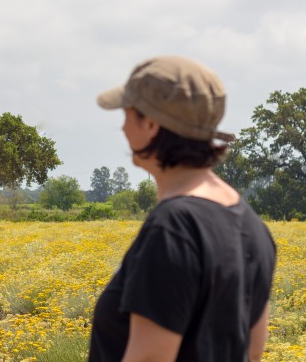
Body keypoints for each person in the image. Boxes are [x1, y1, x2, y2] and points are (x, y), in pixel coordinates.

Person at [88, 56, 276, 362]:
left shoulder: (173, 227)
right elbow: (253, 352)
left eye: (127, 114)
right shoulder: (253, 225)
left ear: (150, 123)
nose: (122, 127)